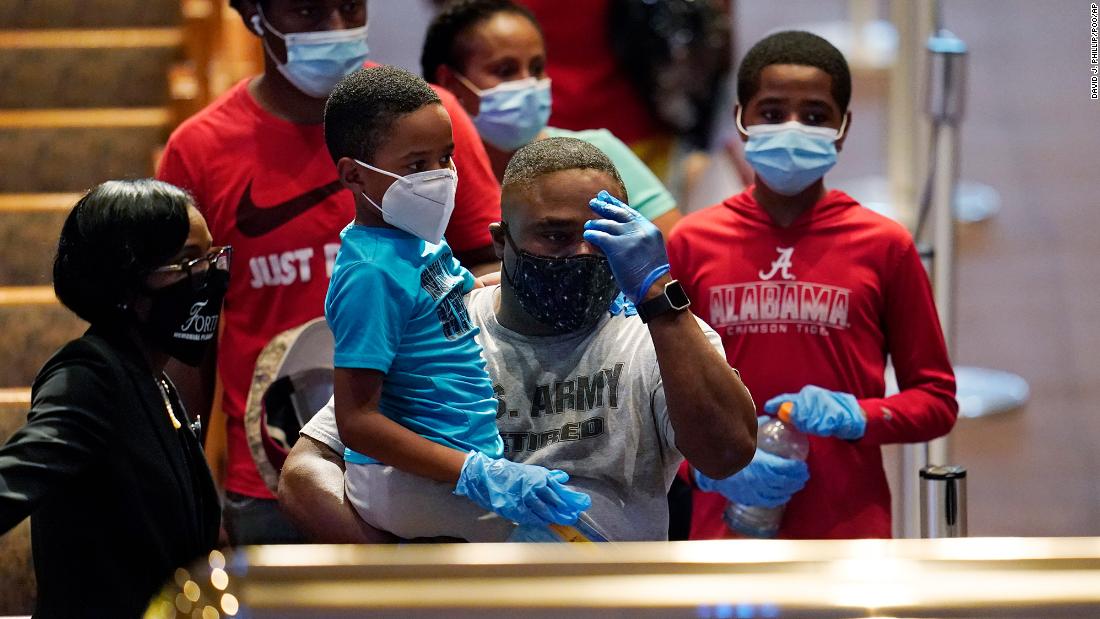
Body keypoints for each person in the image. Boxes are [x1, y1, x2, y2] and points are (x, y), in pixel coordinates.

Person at [278, 136, 758, 542]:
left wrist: (659, 297)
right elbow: (305, 472)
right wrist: (400, 581)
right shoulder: (443, 326)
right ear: (501, 242)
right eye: (556, 236)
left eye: (604, 232)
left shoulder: (659, 335)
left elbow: (727, 455)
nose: (584, 251)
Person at [156, 0, 504, 545]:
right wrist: (193, 493)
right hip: (271, 487)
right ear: (253, 15)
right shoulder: (199, 150)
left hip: (437, 472)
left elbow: (486, 263)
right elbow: (184, 341)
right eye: (308, 11)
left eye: (350, 8)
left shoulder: (428, 123)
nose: (336, 29)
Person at [666, 31, 958, 539]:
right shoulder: (693, 241)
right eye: (772, 113)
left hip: (849, 531)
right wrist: (708, 469)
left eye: (816, 116)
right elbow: (651, 404)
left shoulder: (884, 245)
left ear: (843, 130)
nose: (793, 128)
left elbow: (935, 400)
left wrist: (861, 416)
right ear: (741, 119)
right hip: (724, 531)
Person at [323, 65, 591, 541]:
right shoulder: (370, 272)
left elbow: (448, 300)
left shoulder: (419, 241)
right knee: (556, 556)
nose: (440, 176)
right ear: (353, 175)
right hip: (409, 481)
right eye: (415, 165)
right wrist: (475, 472)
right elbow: (357, 421)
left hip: (454, 464)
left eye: (445, 157)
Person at [0, 180, 223, 617]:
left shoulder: (155, 380)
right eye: (186, 262)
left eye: (210, 256)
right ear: (129, 284)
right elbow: (16, 475)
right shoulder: (89, 375)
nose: (209, 274)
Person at [422, 0, 682, 238]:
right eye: (505, 71)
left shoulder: (599, 151)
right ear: (450, 83)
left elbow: (679, 258)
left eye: (536, 69)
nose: (528, 83)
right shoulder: (427, 177)